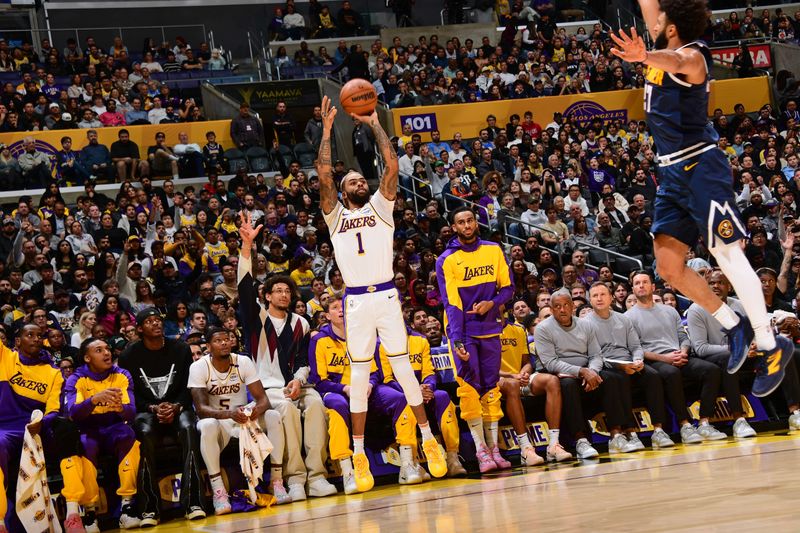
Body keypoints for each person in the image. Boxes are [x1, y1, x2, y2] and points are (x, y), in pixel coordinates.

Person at [610, 0, 792, 397]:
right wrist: (648, 50)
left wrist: (644, 55)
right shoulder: (664, 44)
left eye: (658, 22)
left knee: (726, 253)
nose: (651, 22)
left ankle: (771, 343)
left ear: (670, 28)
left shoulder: (694, 56)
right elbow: (650, 7)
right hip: (671, 172)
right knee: (669, 267)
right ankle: (734, 324)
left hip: (700, 166)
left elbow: (679, 60)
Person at [314, 95, 447, 492]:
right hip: (355, 299)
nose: (357, 181)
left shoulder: (381, 207)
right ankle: (357, 452)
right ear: (341, 191)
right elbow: (322, 175)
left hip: (387, 295)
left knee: (403, 368)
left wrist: (374, 123)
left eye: (359, 179)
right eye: (350, 180)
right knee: (357, 373)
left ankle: (427, 439)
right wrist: (325, 132)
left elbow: (390, 165)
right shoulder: (335, 215)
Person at [237, 221, 337, 502]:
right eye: (278, 290)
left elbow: (304, 361)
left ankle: (317, 476)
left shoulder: (302, 323)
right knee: (287, 411)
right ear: (267, 296)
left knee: (316, 403)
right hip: (268, 390)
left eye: (288, 291)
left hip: (296, 386)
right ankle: (295, 479)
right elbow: (244, 286)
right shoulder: (256, 319)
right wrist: (247, 246)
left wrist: (299, 380)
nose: (284, 294)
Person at [436, 207, 514, 471]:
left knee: (491, 387)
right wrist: (456, 340)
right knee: (469, 388)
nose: (467, 225)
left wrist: (490, 304)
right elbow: (452, 304)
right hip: (463, 331)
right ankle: (480, 450)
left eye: (470, 220)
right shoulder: (446, 259)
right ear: (454, 228)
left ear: (476, 223)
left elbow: (508, 288)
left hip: (490, 327)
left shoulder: (493, 250)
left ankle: (494, 448)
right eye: (461, 222)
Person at [118, 309, 207, 525]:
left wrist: (176, 406)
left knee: (189, 427)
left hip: (178, 407)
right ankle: (149, 508)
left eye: (158, 320)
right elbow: (130, 394)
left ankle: (193, 502)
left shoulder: (180, 348)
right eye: (149, 321)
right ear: (139, 329)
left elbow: (190, 385)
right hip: (147, 411)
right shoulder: (129, 355)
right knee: (144, 433)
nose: (156, 324)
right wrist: (151, 408)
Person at [0, 325, 90, 532]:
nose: (35, 339)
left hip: (36, 428)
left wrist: (42, 423)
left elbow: (53, 408)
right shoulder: (5, 357)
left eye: (40, 336)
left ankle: (73, 512)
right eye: (29, 335)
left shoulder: (53, 372)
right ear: (18, 341)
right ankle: (1, 521)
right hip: (6, 427)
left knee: (67, 428)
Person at [626, 271, 726, 443]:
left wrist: (684, 351)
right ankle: (685, 425)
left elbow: (684, 337)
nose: (641, 286)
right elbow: (635, 349)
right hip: (654, 360)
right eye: (637, 283)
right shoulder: (628, 317)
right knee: (672, 373)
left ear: (653, 287)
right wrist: (666, 359)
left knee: (711, 370)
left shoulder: (669, 311)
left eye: (644, 282)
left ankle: (704, 422)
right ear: (633, 289)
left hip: (679, 355)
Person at [188, 327, 278, 515]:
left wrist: (254, 411)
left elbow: (263, 400)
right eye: (218, 340)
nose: (224, 343)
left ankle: (276, 481)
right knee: (207, 425)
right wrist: (230, 414)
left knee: (273, 415)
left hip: (241, 419)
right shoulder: (198, 367)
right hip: (219, 421)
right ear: (208, 346)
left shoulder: (243, 361)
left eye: (227, 339)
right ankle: (218, 491)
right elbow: (201, 410)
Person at [534, 289, 631, 459]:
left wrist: (592, 371)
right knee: (568, 385)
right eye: (557, 306)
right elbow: (550, 363)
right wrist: (581, 372)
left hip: (586, 370)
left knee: (611, 377)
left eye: (566, 305)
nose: (562, 309)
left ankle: (616, 434)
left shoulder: (586, 325)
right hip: (560, 374)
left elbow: (595, 355)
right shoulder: (543, 329)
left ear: (572, 307)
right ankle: (581, 440)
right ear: (551, 309)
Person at [586, 282, 676, 450]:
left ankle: (658, 430)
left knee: (653, 376)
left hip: (629, 361)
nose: (599, 298)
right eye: (595, 296)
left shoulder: (623, 318)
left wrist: (638, 360)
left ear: (611, 297)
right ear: (589, 300)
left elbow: (635, 347)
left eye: (603, 294)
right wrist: (620, 367)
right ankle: (626, 432)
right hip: (606, 365)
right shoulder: (585, 323)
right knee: (618, 379)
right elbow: (593, 355)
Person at [64, 337, 142, 529]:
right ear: (87, 358)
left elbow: (131, 412)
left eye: (107, 349)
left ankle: (127, 506)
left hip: (115, 425)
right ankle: (90, 511)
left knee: (128, 437)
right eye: (99, 350)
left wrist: (120, 408)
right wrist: (93, 400)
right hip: (89, 428)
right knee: (85, 444)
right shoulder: (77, 378)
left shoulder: (122, 374)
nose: (106, 353)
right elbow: (72, 414)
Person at [497, 316, 573, 465]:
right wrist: (513, 376)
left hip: (519, 378)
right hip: (497, 380)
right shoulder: (483, 332)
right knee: (512, 384)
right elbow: (485, 368)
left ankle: (554, 445)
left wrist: (523, 373)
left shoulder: (518, 329)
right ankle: (526, 449)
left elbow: (526, 362)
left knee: (552, 381)